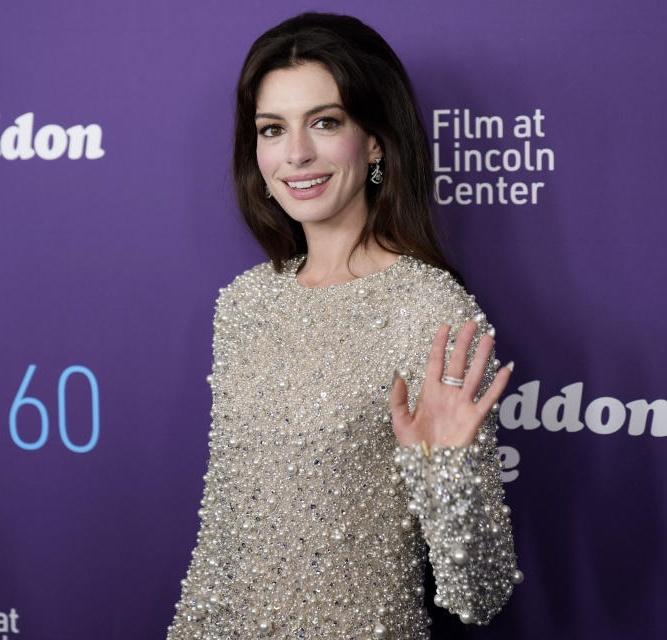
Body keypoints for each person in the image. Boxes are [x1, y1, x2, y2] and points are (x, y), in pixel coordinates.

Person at [166, 12, 522, 639]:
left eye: (324, 123)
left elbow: (479, 595)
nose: (296, 153)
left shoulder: (433, 311)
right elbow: (221, 537)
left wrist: (447, 469)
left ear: (376, 141)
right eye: (272, 129)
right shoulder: (245, 305)